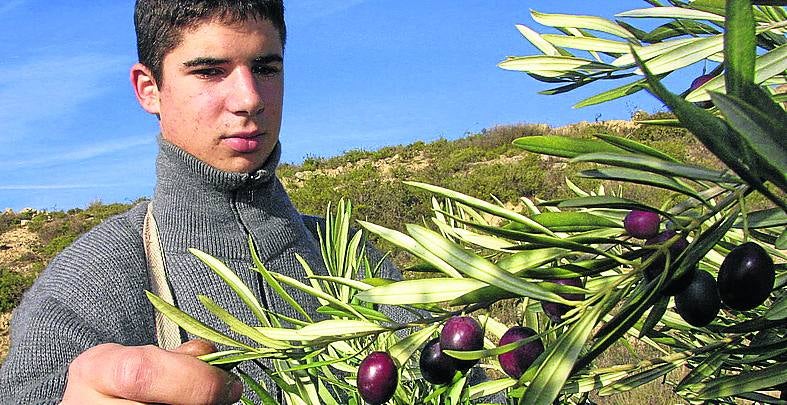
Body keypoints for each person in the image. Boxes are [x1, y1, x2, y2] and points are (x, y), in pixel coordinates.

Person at [0, 1, 397, 403]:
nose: (249, 99)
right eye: (209, 71)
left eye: (266, 68)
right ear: (148, 89)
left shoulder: (355, 257)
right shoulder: (79, 288)